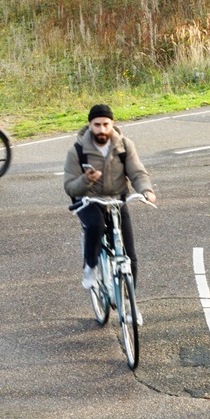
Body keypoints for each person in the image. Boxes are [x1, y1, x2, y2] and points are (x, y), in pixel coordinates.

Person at [63, 104, 155, 292]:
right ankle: (90, 267)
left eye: (106, 124)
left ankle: (130, 305)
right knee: (96, 226)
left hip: (116, 200)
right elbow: (70, 187)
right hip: (88, 200)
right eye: (97, 124)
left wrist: (146, 190)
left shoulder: (124, 146)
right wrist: (86, 180)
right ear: (90, 125)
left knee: (129, 255)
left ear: (113, 123)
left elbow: (137, 172)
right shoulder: (77, 151)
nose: (102, 129)